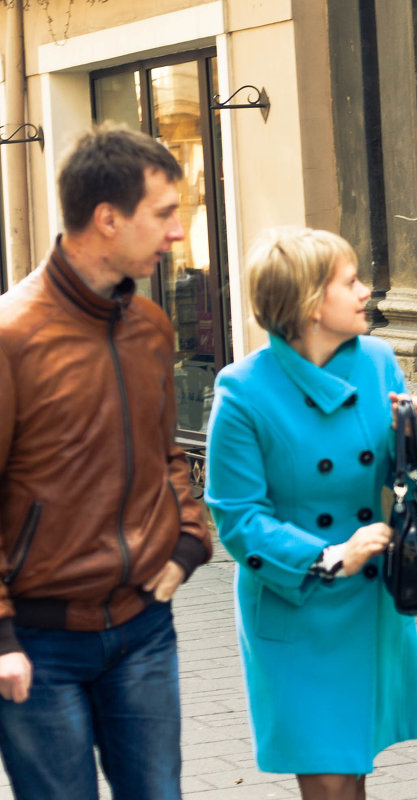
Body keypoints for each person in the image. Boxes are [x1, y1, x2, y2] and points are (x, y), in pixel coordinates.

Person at [0, 125, 213, 799]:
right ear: (106, 218)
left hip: (144, 625)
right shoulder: (12, 337)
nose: (177, 233)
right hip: (38, 643)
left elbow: (166, 453)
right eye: (165, 213)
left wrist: (186, 542)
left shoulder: (150, 328)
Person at [204, 226, 417, 800]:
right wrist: (331, 554)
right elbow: (238, 520)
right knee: (329, 780)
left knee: (352, 771)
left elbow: (411, 479)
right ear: (311, 304)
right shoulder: (242, 390)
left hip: (368, 605)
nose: (367, 291)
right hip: (298, 604)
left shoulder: (377, 362)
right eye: (351, 281)